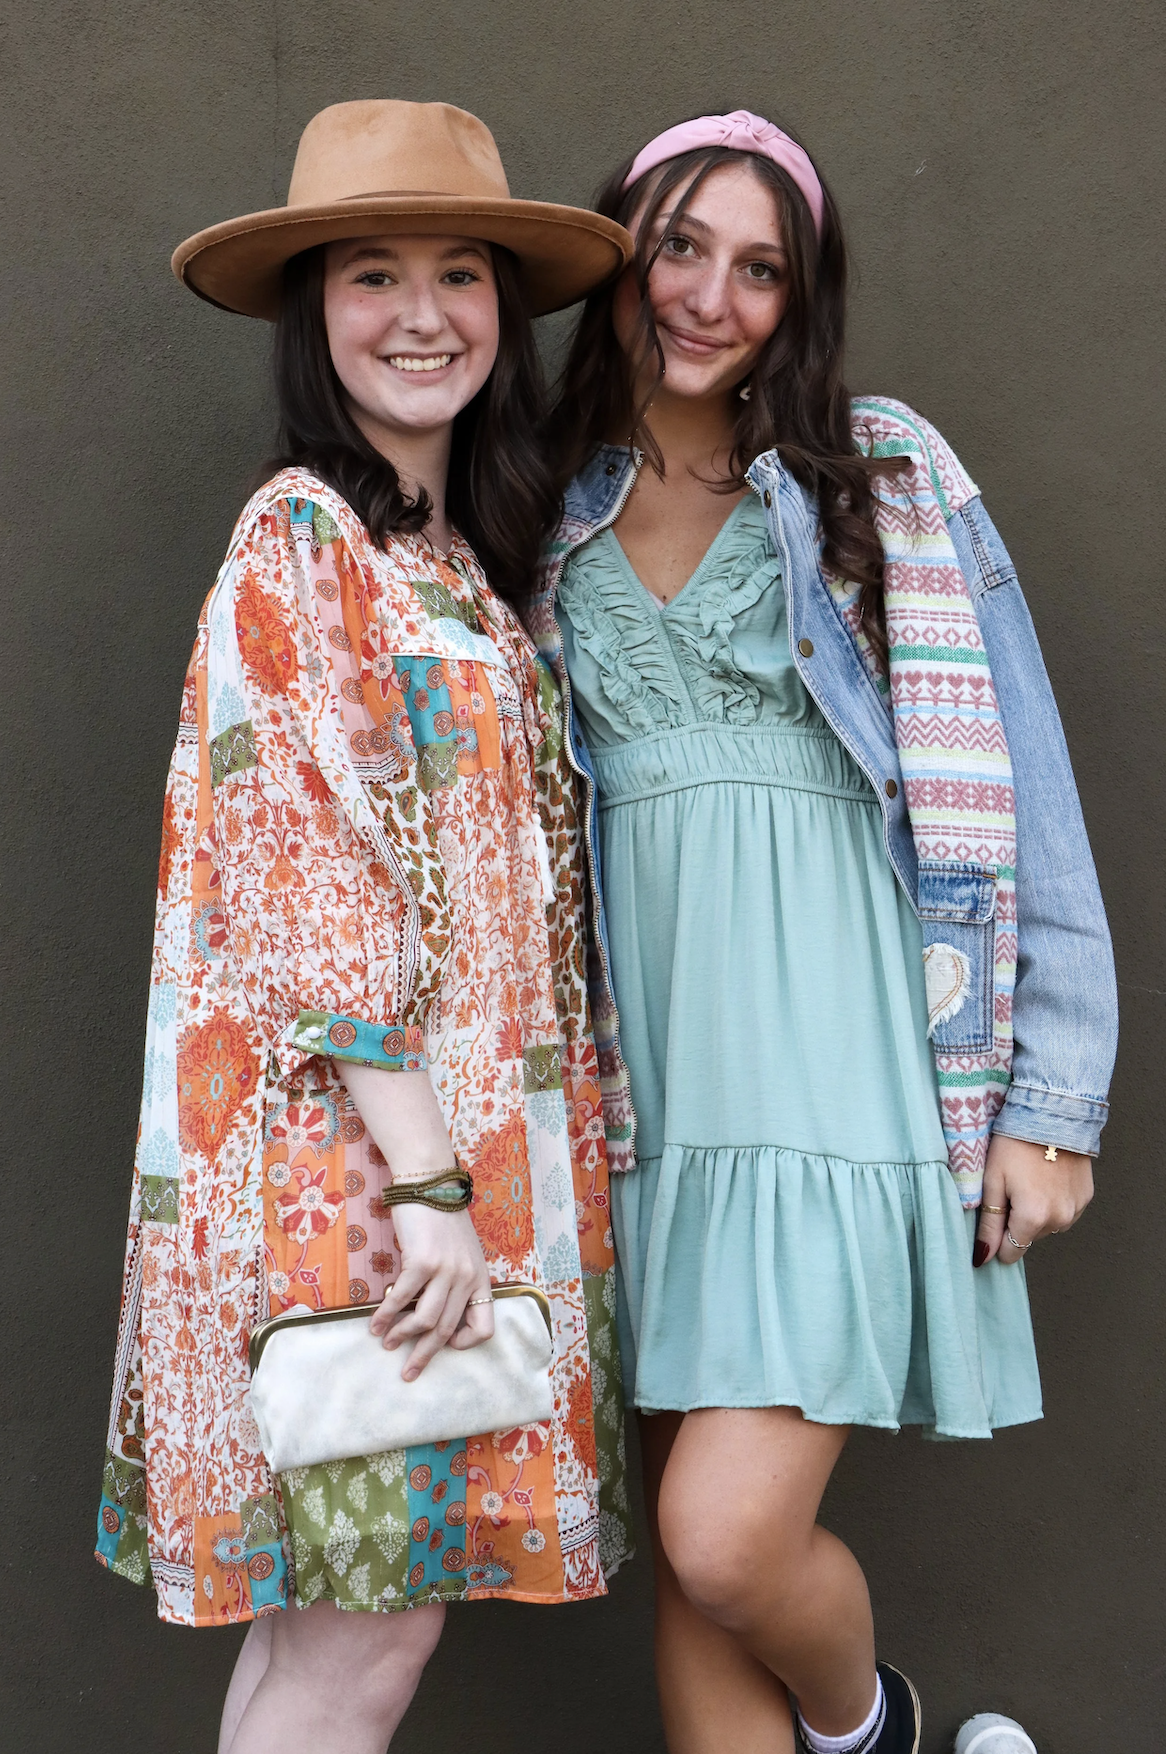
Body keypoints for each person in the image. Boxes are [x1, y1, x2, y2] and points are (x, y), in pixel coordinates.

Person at [530, 110, 1118, 1754]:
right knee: (691, 1566)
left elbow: (1023, 772)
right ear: (620, 252)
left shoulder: (878, 473)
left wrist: (1052, 1100)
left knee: (729, 1536)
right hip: (645, 1090)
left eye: (759, 268)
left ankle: (869, 1728)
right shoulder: (533, 500)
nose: (708, 296)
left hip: (843, 1065)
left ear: (801, 299)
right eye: (678, 246)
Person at [95, 100, 634, 1754]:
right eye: (372, 275)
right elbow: (310, 881)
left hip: (427, 1173)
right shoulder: (302, 539)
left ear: (503, 312)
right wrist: (427, 1185)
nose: (421, 313)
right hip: (361, 1186)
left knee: (327, 1631)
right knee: (372, 1625)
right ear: (311, 314)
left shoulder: (452, 565)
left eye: (458, 273)